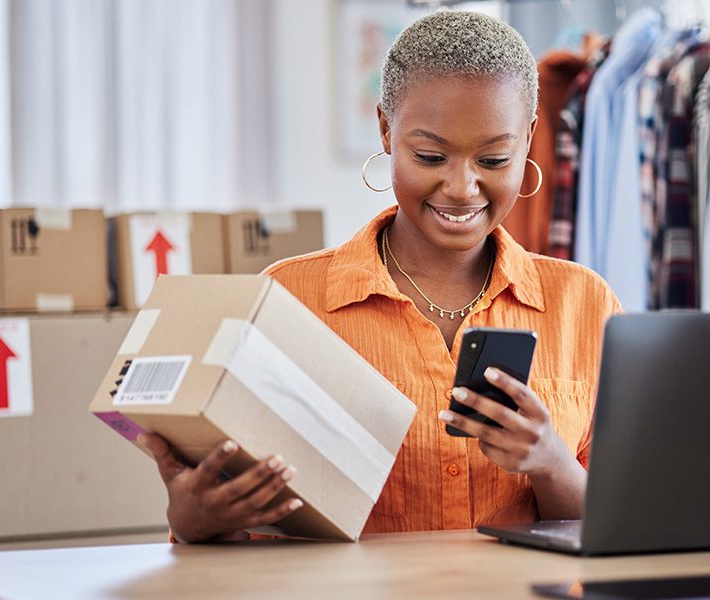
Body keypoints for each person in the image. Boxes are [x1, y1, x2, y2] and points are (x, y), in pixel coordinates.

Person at [137, 10, 620, 544]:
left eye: (494, 157)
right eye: (430, 155)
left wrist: (551, 462)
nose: (462, 186)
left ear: (529, 138)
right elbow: (243, 531)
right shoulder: (288, 301)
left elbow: (625, 526)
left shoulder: (585, 304)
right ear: (387, 129)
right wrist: (191, 522)